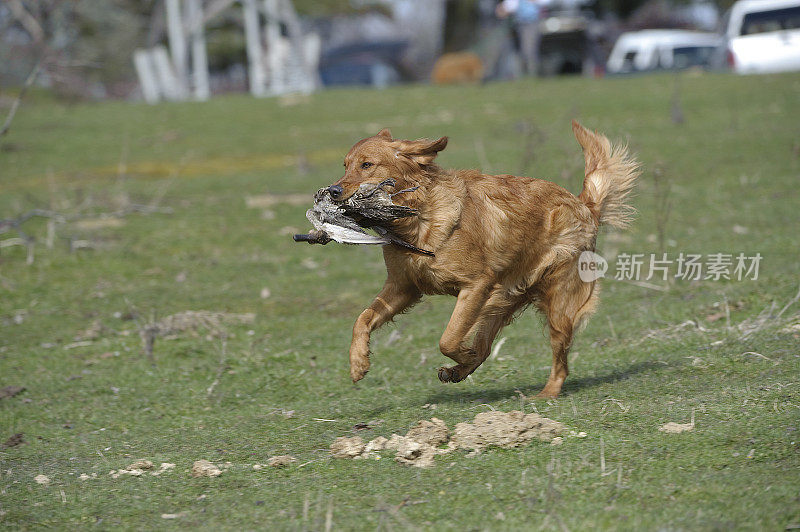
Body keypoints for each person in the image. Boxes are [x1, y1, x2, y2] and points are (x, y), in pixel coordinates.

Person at [495, 0, 548, 76]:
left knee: (529, 50)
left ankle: (532, 73)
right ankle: (521, 74)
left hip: (532, 23)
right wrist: (502, 9)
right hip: (519, 24)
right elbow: (507, 7)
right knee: (520, 50)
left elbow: (545, 2)